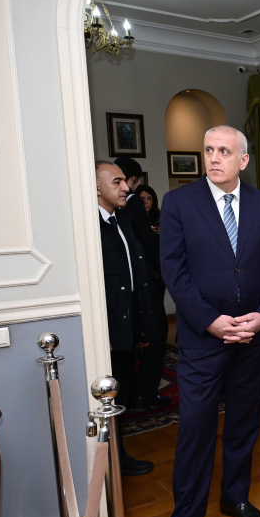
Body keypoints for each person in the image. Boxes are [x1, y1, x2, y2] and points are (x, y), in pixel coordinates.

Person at [153, 126, 260, 517]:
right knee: (195, 429)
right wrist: (210, 320)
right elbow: (173, 271)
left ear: (243, 160)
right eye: (209, 150)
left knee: (245, 423)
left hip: (252, 338)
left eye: (224, 151)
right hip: (203, 339)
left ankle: (235, 498)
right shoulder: (179, 203)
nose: (214, 158)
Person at [94, 161, 164, 476]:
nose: (126, 187)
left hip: (128, 324)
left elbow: (134, 276)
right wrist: (103, 332)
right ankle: (107, 461)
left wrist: (143, 325)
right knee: (107, 397)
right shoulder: (89, 227)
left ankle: (118, 456)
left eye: (125, 181)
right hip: (107, 330)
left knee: (121, 393)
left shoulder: (122, 219)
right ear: (96, 187)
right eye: (117, 181)